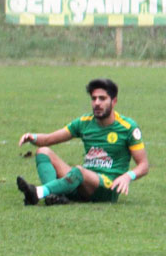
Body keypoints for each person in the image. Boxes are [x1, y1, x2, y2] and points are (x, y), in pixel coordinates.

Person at [16, 78, 148, 206]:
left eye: (102, 98)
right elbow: (49, 139)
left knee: (79, 171)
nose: (97, 103)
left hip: (108, 188)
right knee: (43, 152)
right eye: (94, 98)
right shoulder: (84, 122)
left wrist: (127, 176)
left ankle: (38, 192)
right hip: (83, 183)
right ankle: (53, 196)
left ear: (114, 101)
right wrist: (32, 137)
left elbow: (143, 165)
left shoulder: (128, 127)